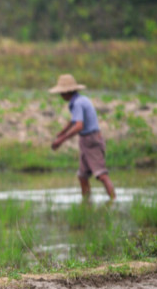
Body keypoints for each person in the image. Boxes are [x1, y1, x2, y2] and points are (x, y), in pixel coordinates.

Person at [49, 73, 116, 201]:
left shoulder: (77, 104)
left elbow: (79, 125)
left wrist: (61, 140)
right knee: (82, 176)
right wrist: (62, 132)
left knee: (101, 174)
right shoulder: (81, 100)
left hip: (91, 140)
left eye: (61, 93)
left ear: (66, 92)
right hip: (87, 141)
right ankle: (87, 203)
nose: (60, 96)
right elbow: (74, 120)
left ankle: (114, 201)